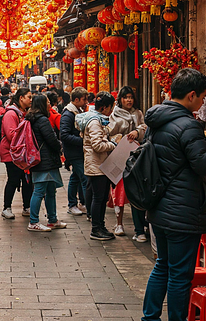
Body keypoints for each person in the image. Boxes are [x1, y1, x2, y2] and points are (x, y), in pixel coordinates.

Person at [135, 69, 206, 321]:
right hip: (182, 210)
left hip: (160, 207)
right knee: (180, 274)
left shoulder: (156, 121)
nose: (203, 104)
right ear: (192, 95)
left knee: (163, 266)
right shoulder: (187, 125)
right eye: (203, 98)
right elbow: (203, 164)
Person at [81, 91, 129, 240]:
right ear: (104, 107)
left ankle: (100, 226)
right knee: (98, 197)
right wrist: (113, 144)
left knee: (101, 198)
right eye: (111, 107)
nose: (112, 110)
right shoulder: (95, 121)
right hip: (96, 165)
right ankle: (96, 229)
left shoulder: (98, 119)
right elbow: (97, 145)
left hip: (99, 164)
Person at [111, 86, 150, 240]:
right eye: (125, 97)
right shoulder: (114, 114)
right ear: (120, 99)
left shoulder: (138, 113)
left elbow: (145, 127)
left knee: (138, 189)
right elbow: (109, 132)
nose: (128, 100)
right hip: (120, 156)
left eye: (131, 97)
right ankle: (118, 223)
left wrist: (138, 132)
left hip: (137, 157)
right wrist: (118, 138)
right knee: (120, 190)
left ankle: (140, 227)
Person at [25, 92, 66, 232]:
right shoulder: (42, 120)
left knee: (50, 190)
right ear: (42, 104)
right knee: (39, 191)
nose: (50, 104)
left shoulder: (32, 118)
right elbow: (51, 140)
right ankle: (33, 221)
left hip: (42, 159)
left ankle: (52, 219)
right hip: (44, 160)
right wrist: (59, 146)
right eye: (48, 102)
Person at [0, 87, 33, 219]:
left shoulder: (23, 113)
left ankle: (27, 206)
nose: (31, 100)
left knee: (27, 180)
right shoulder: (11, 114)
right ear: (21, 98)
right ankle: (6, 207)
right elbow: (11, 135)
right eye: (29, 97)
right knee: (13, 180)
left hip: (22, 153)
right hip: (11, 154)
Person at [59, 87, 90, 216]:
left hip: (78, 151)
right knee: (84, 178)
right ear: (76, 100)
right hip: (74, 152)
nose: (86, 102)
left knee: (75, 177)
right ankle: (81, 204)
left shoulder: (77, 111)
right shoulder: (68, 114)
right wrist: (82, 141)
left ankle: (75, 203)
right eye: (84, 99)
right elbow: (64, 135)